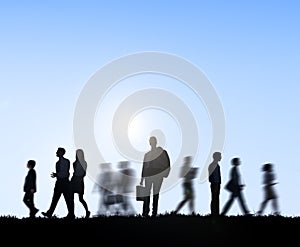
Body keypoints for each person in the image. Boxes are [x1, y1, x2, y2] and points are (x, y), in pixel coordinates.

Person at [140, 136, 171, 217]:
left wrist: (165, 173)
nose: (152, 143)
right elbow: (144, 166)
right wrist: (142, 178)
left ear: (156, 142)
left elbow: (167, 163)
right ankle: (145, 212)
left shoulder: (161, 152)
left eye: (154, 141)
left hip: (157, 174)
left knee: (155, 194)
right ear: (150, 143)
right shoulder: (147, 154)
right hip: (148, 174)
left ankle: (154, 213)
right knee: (147, 193)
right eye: (151, 141)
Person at [42, 147, 75, 219]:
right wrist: (56, 175)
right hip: (59, 182)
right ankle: (49, 213)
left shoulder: (66, 161)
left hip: (65, 182)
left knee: (68, 199)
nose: (56, 152)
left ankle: (71, 215)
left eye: (58, 151)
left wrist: (56, 174)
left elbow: (65, 173)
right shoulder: (57, 163)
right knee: (55, 199)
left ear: (62, 153)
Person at [70, 149, 90, 218]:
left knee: (80, 199)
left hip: (79, 181)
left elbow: (84, 173)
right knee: (71, 198)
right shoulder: (74, 163)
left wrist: (79, 177)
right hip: (74, 180)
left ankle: (87, 211)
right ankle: (72, 214)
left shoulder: (84, 163)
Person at [208, 152, 222, 216]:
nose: (221, 157)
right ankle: (214, 213)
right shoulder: (212, 165)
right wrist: (215, 183)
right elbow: (211, 176)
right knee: (214, 198)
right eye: (219, 156)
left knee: (216, 198)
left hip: (217, 184)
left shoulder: (217, 165)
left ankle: (216, 213)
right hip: (214, 184)